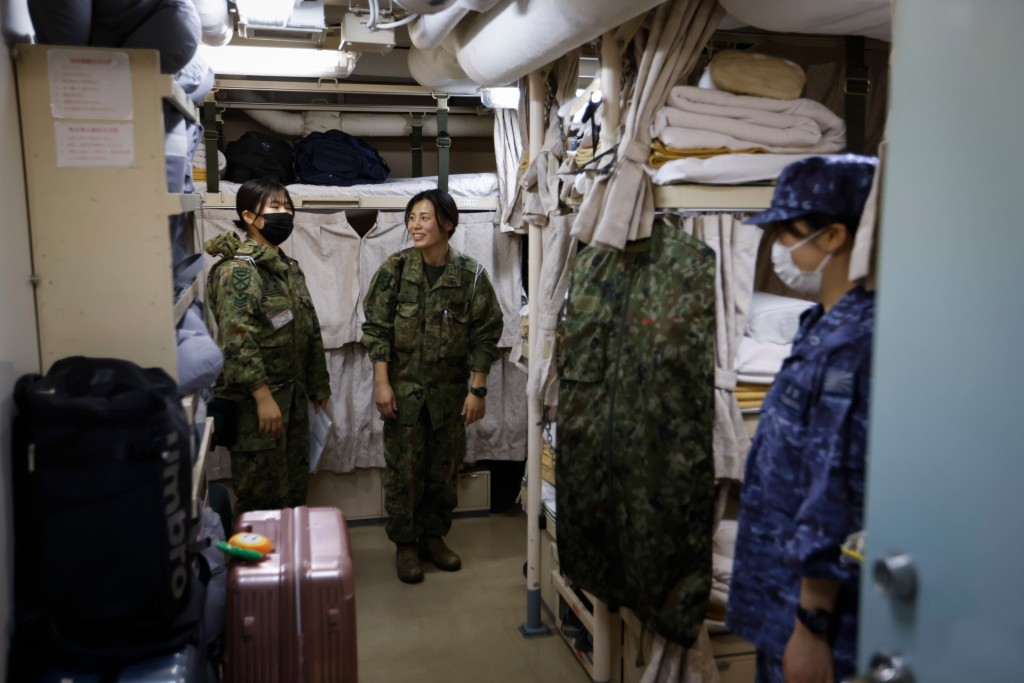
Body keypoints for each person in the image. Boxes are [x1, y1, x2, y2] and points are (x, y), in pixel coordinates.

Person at [726, 155, 879, 683]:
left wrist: (811, 625)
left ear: (834, 235)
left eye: (788, 233)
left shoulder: (856, 344)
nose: (779, 249)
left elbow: (836, 487)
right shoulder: (821, 325)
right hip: (781, 592)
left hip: (819, 618)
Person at [361, 188, 503, 584]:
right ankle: (406, 545)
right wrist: (381, 383)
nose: (415, 225)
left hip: (448, 398)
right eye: (411, 218)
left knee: (443, 473)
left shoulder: (470, 276)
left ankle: (433, 538)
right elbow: (376, 330)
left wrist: (478, 390)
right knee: (403, 473)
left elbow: (485, 335)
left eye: (424, 217)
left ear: (448, 223)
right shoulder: (394, 269)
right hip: (403, 394)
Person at [205, 178, 331, 515]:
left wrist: (318, 385)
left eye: (287, 207)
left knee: (293, 491)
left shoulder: (287, 268)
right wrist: (262, 396)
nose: (285, 213)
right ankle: (260, 564)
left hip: (292, 398)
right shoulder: (238, 271)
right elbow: (237, 339)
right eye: (275, 207)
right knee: (262, 496)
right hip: (257, 405)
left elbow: (308, 328)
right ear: (249, 216)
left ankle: (288, 564)